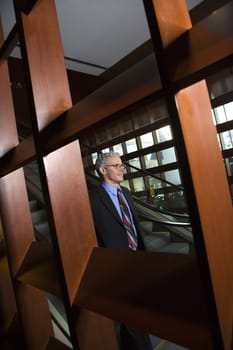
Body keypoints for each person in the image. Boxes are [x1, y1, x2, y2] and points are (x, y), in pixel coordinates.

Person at [88, 151, 153, 350]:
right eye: (115, 165)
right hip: (116, 265)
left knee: (132, 315)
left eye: (121, 165)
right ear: (102, 170)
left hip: (137, 260)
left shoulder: (125, 192)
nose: (121, 168)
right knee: (134, 316)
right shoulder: (93, 199)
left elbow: (133, 226)